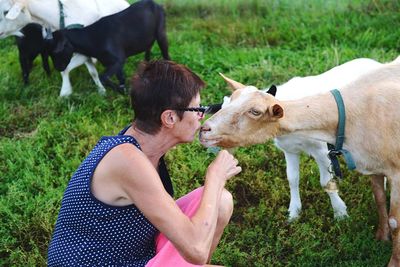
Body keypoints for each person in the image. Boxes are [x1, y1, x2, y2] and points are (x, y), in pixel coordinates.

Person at [47, 60, 242, 266]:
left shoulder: (140, 144)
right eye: (197, 110)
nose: (201, 118)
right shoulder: (128, 161)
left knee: (220, 201)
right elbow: (197, 251)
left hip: (136, 255)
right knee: (211, 203)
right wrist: (215, 177)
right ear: (169, 118)